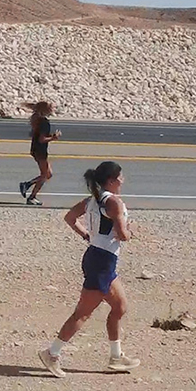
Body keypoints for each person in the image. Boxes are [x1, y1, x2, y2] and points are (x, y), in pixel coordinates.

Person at [38, 161, 140, 378]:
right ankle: (52, 353)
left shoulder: (92, 200)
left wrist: (87, 235)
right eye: (120, 178)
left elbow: (70, 218)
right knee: (83, 313)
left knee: (120, 307)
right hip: (102, 262)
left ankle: (116, 356)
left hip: (97, 257)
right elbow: (122, 234)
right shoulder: (114, 203)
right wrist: (131, 233)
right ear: (111, 181)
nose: (123, 181)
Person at [18, 101, 61, 206]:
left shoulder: (37, 120)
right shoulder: (44, 122)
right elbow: (42, 139)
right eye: (51, 108)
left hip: (36, 149)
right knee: (45, 174)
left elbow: (35, 135)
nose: (53, 110)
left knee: (48, 174)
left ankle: (31, 192)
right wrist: (53, 138)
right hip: (40, 150)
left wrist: (50, 135)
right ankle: (29, 190)